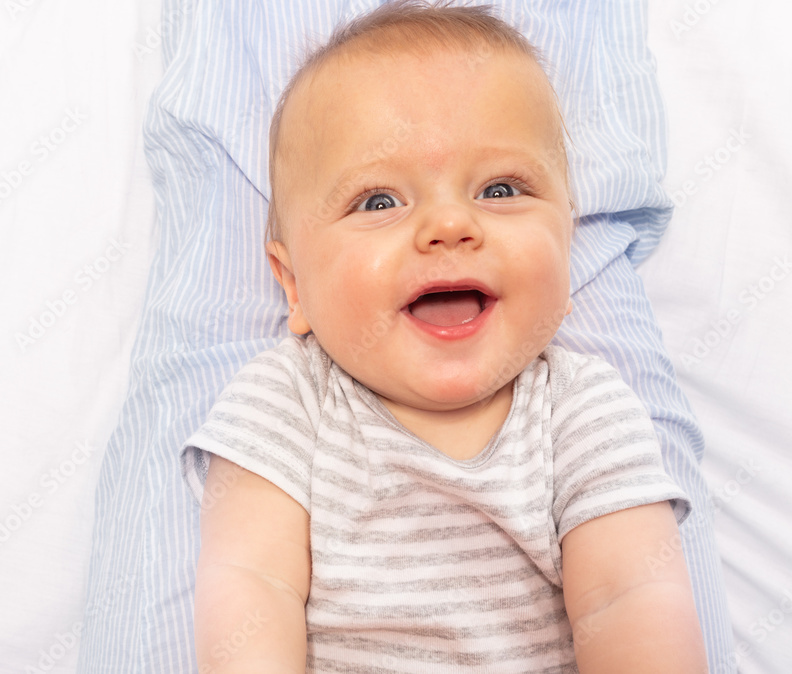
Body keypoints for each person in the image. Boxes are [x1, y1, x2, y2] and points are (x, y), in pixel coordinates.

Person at [180, 4, 709, 672]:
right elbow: (253, 584)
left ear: (566, 254)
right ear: (294, 285)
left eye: (501, 188)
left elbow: (630, 597)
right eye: (379, 201)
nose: (451, 224)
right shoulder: (285, 403)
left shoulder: (584, 411)